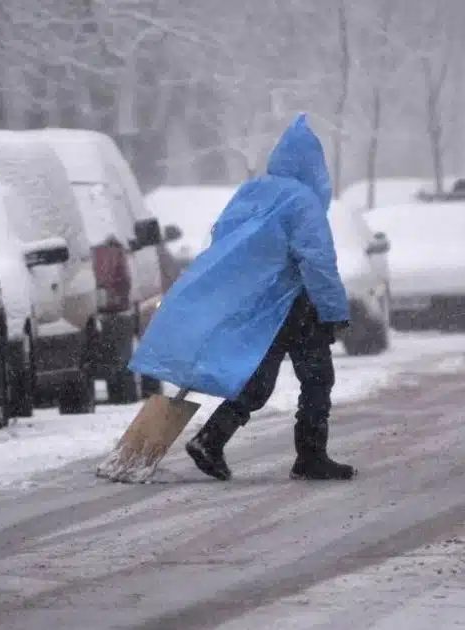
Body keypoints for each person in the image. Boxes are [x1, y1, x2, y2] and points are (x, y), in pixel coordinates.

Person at [127, 113, 355, 481]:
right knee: (317, 379)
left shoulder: (250, 192)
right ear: (313, 166)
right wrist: (333, 310)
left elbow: (225, 241)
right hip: (296, 304)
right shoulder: (303, 201)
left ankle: (211, 439)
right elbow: (317, 261)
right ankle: (310, 456)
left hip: (257, 305)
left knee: (256, 380)